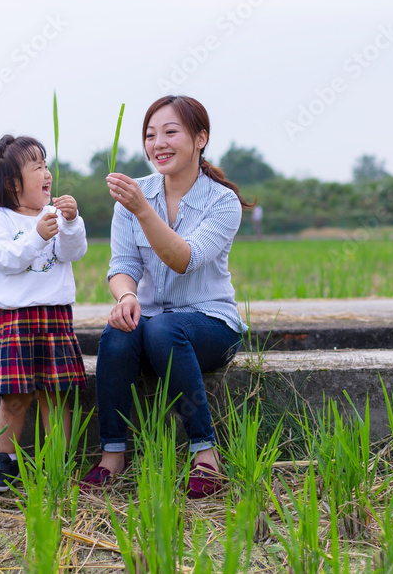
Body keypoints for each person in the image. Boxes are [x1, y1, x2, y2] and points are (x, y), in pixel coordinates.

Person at [82, 95, 250, 498]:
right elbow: (122, 264)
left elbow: (183, 259)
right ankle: (112, 455)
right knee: (118, 334)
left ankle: (205, 454)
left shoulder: (222, 201)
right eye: (150, 135)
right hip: (154, 323)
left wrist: (143, 210)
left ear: (200, 139)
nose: (158, 143)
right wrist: (126, 297)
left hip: (210, 324)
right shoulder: (137, 193)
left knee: (164, 330)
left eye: (170, 132)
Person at [0, 134, 89, 493]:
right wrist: (37, 236)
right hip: (15, 321)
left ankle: (57, 463)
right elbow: (4, 259)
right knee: (15, 398)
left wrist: (71, 222)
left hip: (55, 318)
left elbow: (73, 252)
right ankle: (6, 462)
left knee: (55, 395)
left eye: (46, 165)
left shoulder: (53, 216)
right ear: (12, 183)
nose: (47, 173)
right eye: (37, 166)